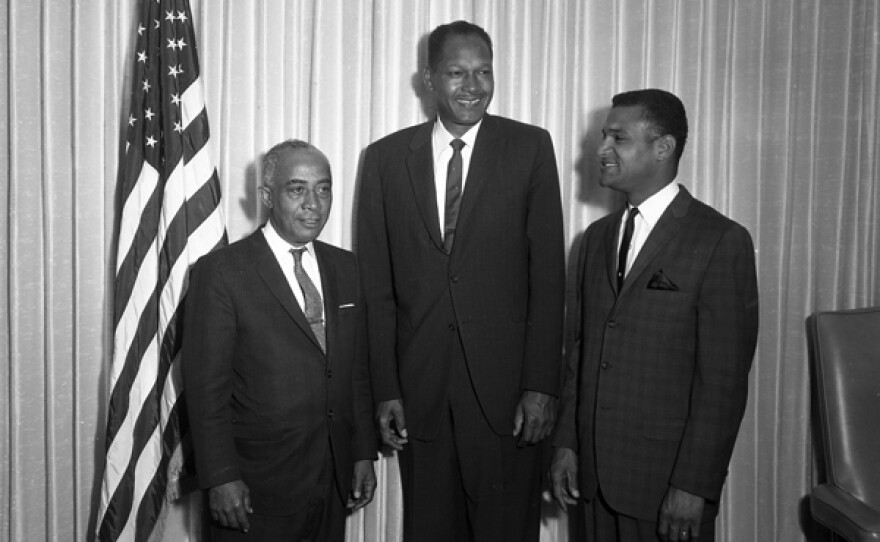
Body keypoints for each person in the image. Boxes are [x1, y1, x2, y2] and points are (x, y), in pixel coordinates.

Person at [356, 19, 565, 542]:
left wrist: (540, 385)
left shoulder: (530, 148)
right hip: (420, 396)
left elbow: (549, 281)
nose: (472, 86)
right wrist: (385, 388)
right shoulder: (384, 159)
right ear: (428, 78)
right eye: (456, 73)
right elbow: (375, 287)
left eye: (483, 72)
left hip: (507, 400)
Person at [550, 89, 759, 542]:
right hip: (593, 482)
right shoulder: (595, 240)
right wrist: (567, 442)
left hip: (664, 486)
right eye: (603, 137)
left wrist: (693, 486)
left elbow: (723, 383)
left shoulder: (721, 241)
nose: (601, 150)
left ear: (663, 147)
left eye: (617, 139)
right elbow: (582, 352)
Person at [182, 140, 377, 541]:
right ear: (268, 196)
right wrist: (221, 477)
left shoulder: (346, 267)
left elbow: (354, 373)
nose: (313, 203)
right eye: (297, 189)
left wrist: (361, 453)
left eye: (323, 189)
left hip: (330, 480)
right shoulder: (221, 272)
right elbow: (207, 390)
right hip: (254, 489)